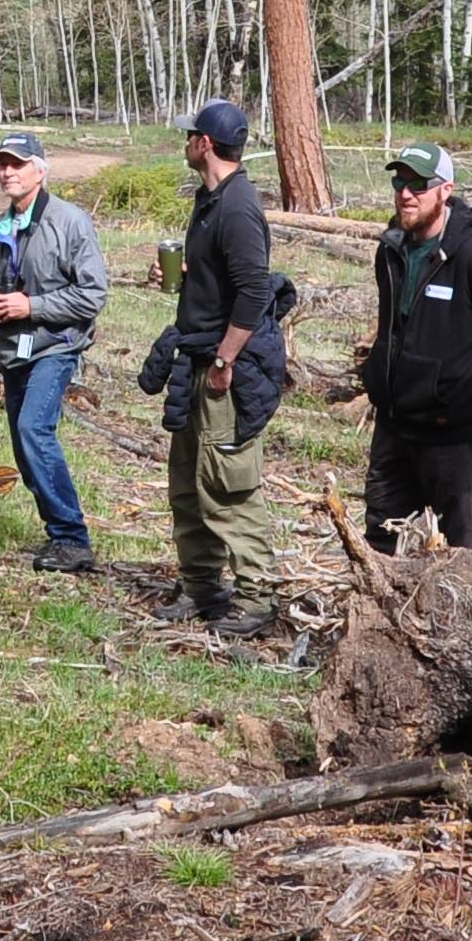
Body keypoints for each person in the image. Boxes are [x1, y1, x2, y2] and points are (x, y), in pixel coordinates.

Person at [148, 99, 287, 636]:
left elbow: (254, 291)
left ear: (205, 144)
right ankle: (202, 584)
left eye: (190, 136)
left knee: (228, 486)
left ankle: (257, 596)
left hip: (225, 369)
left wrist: (227, 358)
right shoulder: (210, 200)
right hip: (197, 359)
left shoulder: (237, 207)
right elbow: (226, 279)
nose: (186, 142)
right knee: (187, 480)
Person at [357, 142, 472, 553]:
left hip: (451, 433)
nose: (406, 193)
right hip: (393, 422)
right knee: (382, 538)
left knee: (459, 550)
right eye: (399, 181)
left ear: (445, 190)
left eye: (418, 184)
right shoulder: (391, 249)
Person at [0, 131, 107, 571]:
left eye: (17, 163)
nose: (7, 171)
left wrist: (31, 305)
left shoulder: (70, 222)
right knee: (22, 441)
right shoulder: (2, 225)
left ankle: (72, 538)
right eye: (2, 163)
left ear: (40, 169)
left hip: (57, 344)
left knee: (35, 430)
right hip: (14, 345)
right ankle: (59, 533)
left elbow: (93, 295)